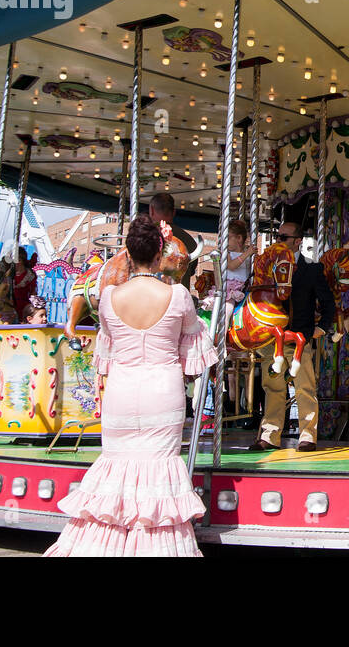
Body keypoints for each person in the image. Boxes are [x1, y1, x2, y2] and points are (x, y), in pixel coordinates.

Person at [45, 214, 216, 557]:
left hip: (121, 392)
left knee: (116, 466)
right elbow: (194, 353)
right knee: (159, 472)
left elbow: (106, 353)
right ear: (159, 255)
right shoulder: (180, 295)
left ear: (128, 252)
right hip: (162, 392)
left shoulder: (108, 297)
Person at [256, 221, 334, 452]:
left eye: (283, 238)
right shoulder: (269, 267)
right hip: (273, 337)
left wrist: (322, 328)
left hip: (299, 335)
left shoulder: (310, 269)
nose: (278, 241)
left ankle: (307, 434)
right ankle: (270, 434)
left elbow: (328, 302)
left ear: (297, 241)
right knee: (272, 386)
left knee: (304, 386)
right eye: (277, 237)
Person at [149, 193, 196, 288]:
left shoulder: (145, 237)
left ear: (152, 210)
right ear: (174, 212)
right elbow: (190, 272)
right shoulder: (189, 240)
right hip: (179, 297)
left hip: (150, 296)